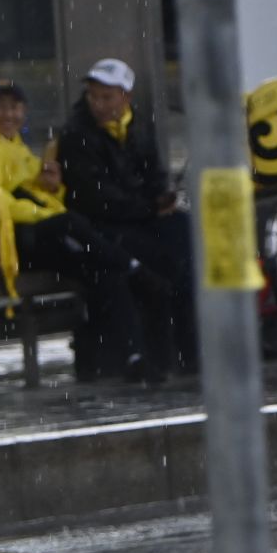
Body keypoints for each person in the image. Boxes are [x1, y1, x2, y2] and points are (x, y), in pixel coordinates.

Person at [0, 80, 156, 381]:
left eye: (14, 107)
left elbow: (33, 195)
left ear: (24, 111)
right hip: (4, 244)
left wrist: (53, 190)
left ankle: (135, 357)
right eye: (0, 107)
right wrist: (45, 215)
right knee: (73, 226)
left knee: (103, 271)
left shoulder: (16, 147)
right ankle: (137, 270)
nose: (8, 114)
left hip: (32, 238)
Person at [56, 58, 198, 379]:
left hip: (139, 217)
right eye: (94, 97)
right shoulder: (77, 134)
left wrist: (160, 200)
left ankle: (189, 347)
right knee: (157, 258)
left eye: (107, 97)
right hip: (104, 226)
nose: (99, 104)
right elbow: (96, 199)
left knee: (187, 239)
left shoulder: (138, 129)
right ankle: (163, 351)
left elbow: (155, 176)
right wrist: (149, 207)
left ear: (126, 97)